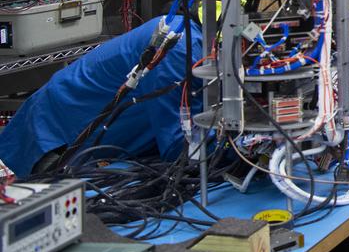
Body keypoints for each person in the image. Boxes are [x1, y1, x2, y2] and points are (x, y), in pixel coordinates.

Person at [0, 16, 200, 178]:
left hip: (97, 140)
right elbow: (180, 145)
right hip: (59, 137)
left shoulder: (191, 40)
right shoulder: (179, 48)